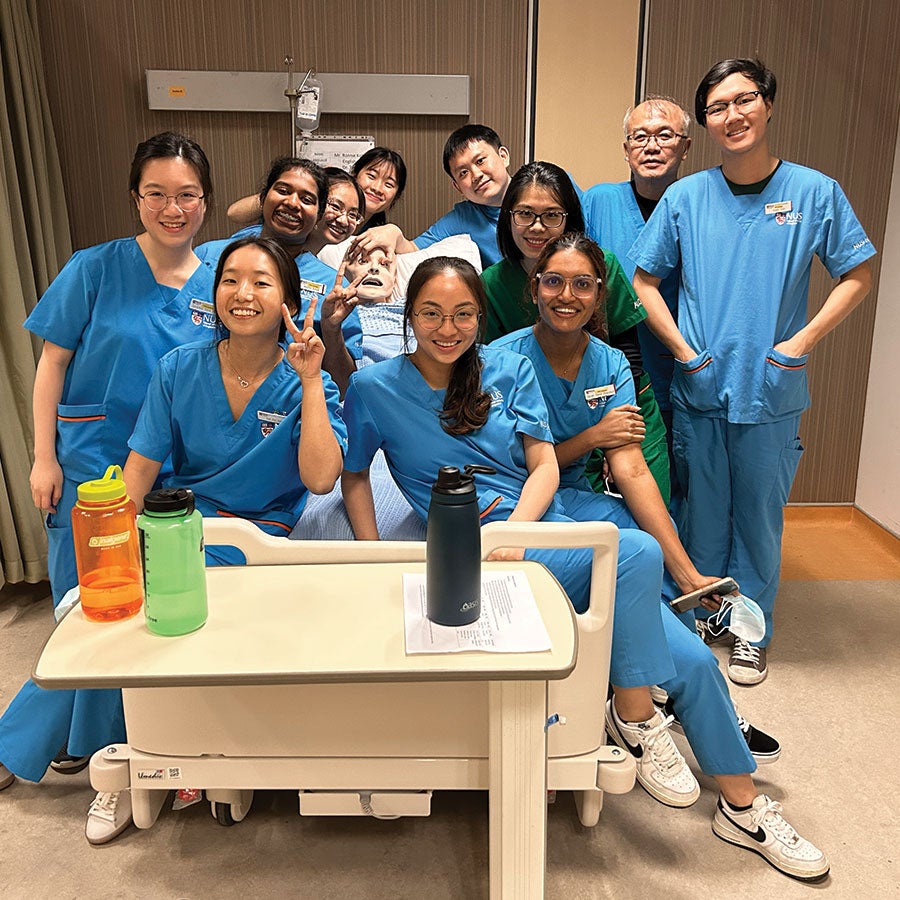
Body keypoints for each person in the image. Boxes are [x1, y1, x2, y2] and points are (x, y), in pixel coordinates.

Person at [492, 233, 828, 881]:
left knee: (699, 661)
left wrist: (689, 572)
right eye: (554, 281)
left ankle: (742, 805)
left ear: (599, 296)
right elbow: (507, 465)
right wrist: (588, 435)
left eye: (583, 283)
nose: (568, 295)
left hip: (598, 520)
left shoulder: (611, 364)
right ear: (533, 289)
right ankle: (636, 707)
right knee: (636, 581)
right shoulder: (498, 361)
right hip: (523, 524)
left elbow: (631, 472)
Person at [342, 255, 709, 819]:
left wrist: (514, 533)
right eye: (431, 313)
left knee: (634, 549)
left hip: (526, 526)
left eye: (464, 314)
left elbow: (544, 468)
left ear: (480, 317)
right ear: (408, 315)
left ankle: (646, 706)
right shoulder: (373, 386)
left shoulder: (506, 370)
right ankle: (638, 710)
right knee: (631, 552)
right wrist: (370, 555)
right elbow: (355, 472)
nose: (448, 329)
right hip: (464, 539)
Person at [630, 58, 876, 685]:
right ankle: (707, 613)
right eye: (717, 107)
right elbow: (643, 281)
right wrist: (685, 352)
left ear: (768, 105)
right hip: (703, 381)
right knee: (704, 511)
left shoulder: (814, 191)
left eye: (744, 100)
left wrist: (801, 340)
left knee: (760, 517)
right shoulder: (686, 197)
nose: (733, 115)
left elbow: (858, 274)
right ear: (706, 124)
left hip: (772, 384)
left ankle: (750, 628)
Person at [0, 132, 215, 843]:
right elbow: (51, 367)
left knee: (150, 622)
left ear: (205, 202)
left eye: (186, 195)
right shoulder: (94, 269)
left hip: (173, 473)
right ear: (136, 198)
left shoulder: (218, 277)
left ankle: (100, 756)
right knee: (87, 620)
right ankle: (46, 750)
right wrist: (43, 458)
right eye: (157, 194)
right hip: (91, 467)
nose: (172, 208)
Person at [124, 236, 346, 559]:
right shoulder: (177, 369)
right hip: (188, 529)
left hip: (262, 540)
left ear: (292, 304)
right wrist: (124, 549)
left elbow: (322, 480)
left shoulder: (310, 384)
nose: (242, 294)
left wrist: (310, 379)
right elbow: (141, 470)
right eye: (230, 280)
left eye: (260, 282)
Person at [480, 161, 672, 502]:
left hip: (619, 407)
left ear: (570, 218)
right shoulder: (492, 285)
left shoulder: (603, 265)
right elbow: (491, 377)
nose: (537, 228)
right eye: (525, 214)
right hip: (542, 428)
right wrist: (593, 439)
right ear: (508, 217)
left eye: (552, 215)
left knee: (650, 514)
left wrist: (617, 443)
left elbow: (628, 352)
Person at [582, 96, 692, 485]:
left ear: (685, 146)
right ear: (626, 149)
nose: (651, 145)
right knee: (633, 489)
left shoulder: (698, 204)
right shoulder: (598, 201)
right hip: (618, 372)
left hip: (688, 368)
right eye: (639, 136)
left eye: (665, 134)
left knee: (689, 487)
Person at [352, 125, 512, 268]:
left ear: (503, 156)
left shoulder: (534, 191)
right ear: (458, 187)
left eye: (480, 161)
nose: (476, 175)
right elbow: (414, 250)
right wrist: (393, 232)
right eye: (463, 173)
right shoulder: (464, 217)